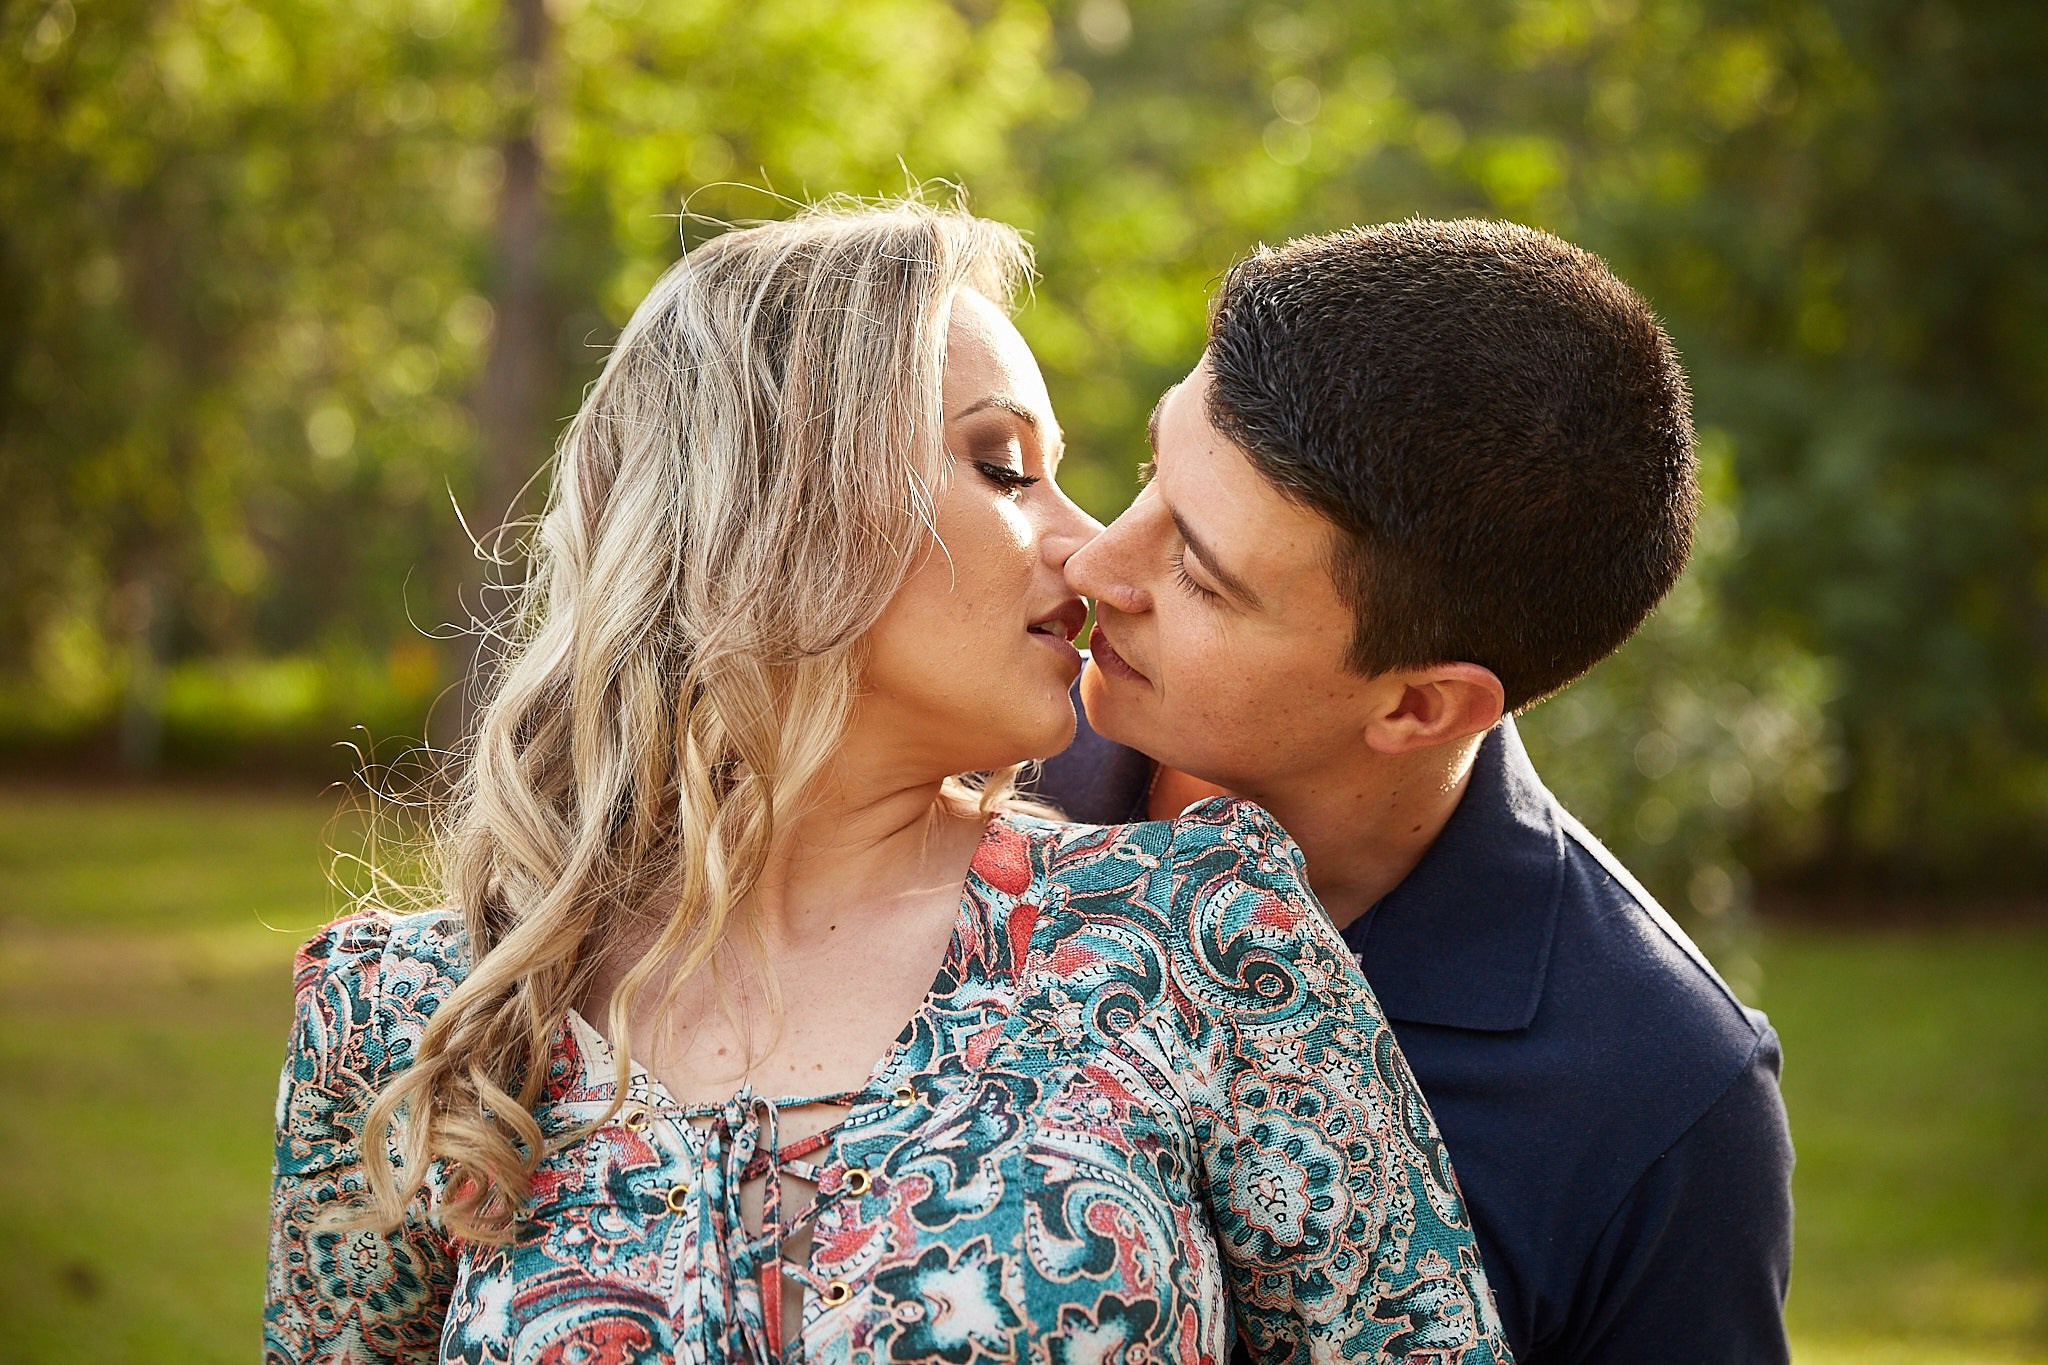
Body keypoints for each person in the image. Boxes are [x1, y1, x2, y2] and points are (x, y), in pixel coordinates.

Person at [265, 201, 1514, 1364]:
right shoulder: (410, 1020)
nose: (1083, 547)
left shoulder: (1197, 939)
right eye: (1002, 466)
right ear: (773, 506)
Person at [1032, 220, 1795, 1364]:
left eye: (1196, 569)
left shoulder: (1661, 1100)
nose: (1093, 565)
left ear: (1418, 707)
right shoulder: (959, 782)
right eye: (1150, 469)